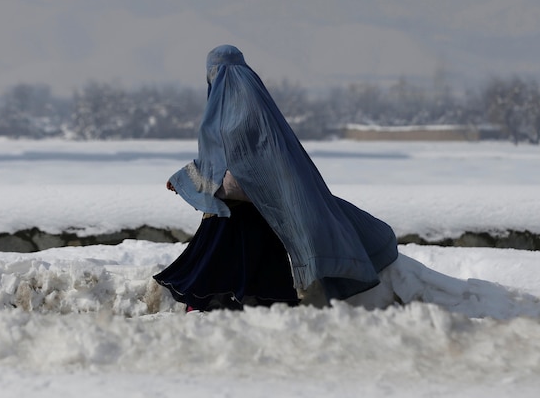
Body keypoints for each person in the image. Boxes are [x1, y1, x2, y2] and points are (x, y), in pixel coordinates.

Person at [153, 45, 398, 311]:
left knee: (218, 268)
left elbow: (232, 176)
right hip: (262, 214)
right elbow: (225, 168)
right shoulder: (262, 112)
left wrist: (188, 181)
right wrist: (186, 179)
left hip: (243, 215)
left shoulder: (228, 119)